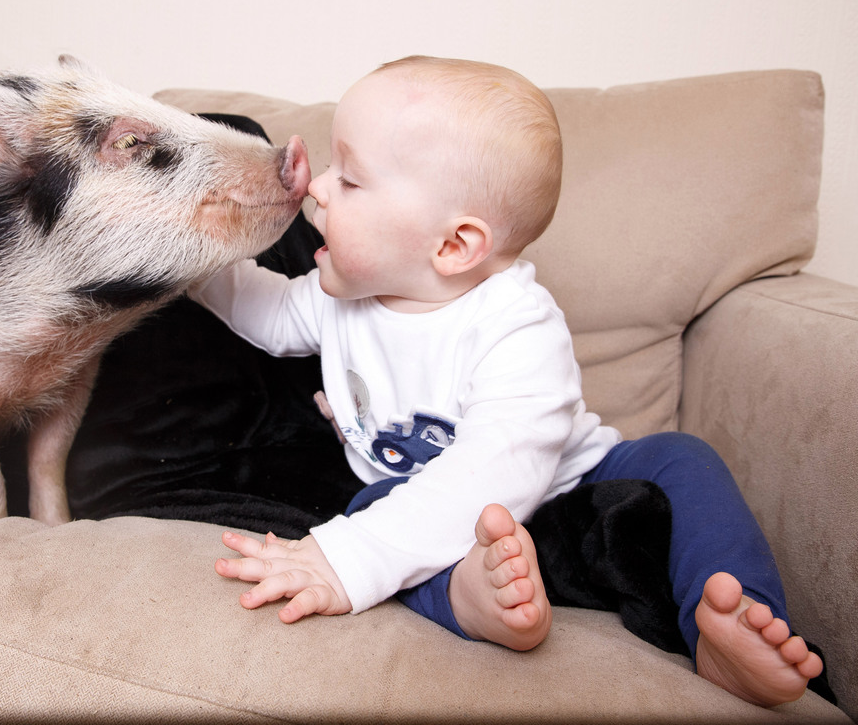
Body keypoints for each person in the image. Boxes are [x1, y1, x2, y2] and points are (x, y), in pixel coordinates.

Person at [189, 56, 822, 707]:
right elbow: (264, 314)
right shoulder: (341, 295)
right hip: (437, 508)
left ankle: (730, 617)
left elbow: (502, 466)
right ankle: (471, 597)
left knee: (681, 459)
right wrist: (191, 254)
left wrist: (344, 557)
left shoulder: (517, 325)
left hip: (571, 485)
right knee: (370, 503)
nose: (318, 189)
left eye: (348, 180)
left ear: (454, 246)